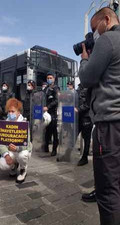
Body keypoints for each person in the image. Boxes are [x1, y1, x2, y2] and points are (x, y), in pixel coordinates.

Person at [78, 7, 120, 224]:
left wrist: (85, 59)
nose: (95, 34)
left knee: (107, 190)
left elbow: (87, 78)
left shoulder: (109, 40)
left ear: (107, 19)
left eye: (95, 28)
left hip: (109, 126)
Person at [0, 98, 32, 183]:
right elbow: (0, 142)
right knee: (2, 164)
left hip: (21, 150)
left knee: (23, 155)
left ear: (18, 112)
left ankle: (23, 169)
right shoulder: (4, 124)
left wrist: (17, 149)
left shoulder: (24, 124)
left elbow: (27, 143)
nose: (10, 114)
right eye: (9, 111)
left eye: (13, 111)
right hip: (10, 151)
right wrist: (6, 155)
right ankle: (14, 165)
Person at [43, 72, 59, 156]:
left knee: (54, 131)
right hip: (46, 113)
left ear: (54, 79)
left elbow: (57, 100)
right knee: (47, 131)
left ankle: (54, 150)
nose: (49, 79)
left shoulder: (56, 88)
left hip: (53, 113)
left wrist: (48, 107)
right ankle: (46, 147)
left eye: (50, 78)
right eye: (48, 78)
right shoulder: (46, 89)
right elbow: (42, 98)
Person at [76, 84, 93, 166]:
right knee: (73, 135)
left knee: (86, 139)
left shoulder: (89, 88)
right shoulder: (79, 88)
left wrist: (78, 109)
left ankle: (85, 157)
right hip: (78, 117)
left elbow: (88, 104)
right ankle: (67, 153)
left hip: (87, 117)